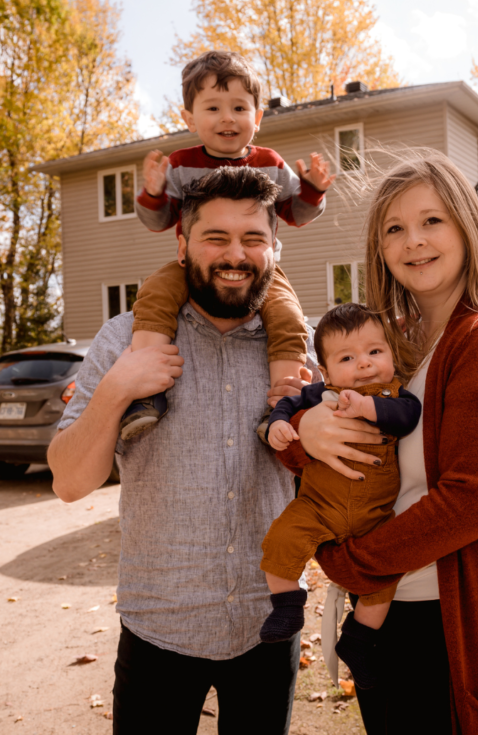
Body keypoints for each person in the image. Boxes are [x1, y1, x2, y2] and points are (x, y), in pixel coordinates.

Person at [277, 153, 478, 734]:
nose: (413, 241)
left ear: (467, 226)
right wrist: (305, 433)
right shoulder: (390, 350)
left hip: (445, 626)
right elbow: (325, 443)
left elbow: (471, 500)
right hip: (392, 618)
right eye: (395, 228)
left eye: (432, 221)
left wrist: (347, 563)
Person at [48, 166, 315, 735]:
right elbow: (69, 483)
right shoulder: (125, 339)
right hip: (157, 628)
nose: (235, 255)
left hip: (268, 626)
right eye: (215, 237)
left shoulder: (300, 353)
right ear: (182, 243)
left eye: (253, 239)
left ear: (275, 246)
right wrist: (119, 386)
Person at [122, 50, 334, 440]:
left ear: (257, 117)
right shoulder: (181, 164)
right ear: (189, 119)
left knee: (288, 317)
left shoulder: (270, 161)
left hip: (261, 275)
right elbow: (159, 221)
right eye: (213, 107)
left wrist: (314, 190)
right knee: (154, 295)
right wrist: (153, 193)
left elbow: (295, 213)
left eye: (239, 107)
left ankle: (283, 407)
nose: (227, 118)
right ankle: (145, 394)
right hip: (193, 268)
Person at [260, 303, 421, 690]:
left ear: (391, 354)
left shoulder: (397, 395)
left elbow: (407, 417)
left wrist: (368, 405)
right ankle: (286, 606)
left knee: (385, 579)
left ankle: (359, 639)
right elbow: (287, 403)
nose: (364, 364)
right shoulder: (320, 394)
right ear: (326, 371)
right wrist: (278, 424)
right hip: (318, 506)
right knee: (280, 538)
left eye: (374, 352)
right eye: (347, 357)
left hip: (375, 516)